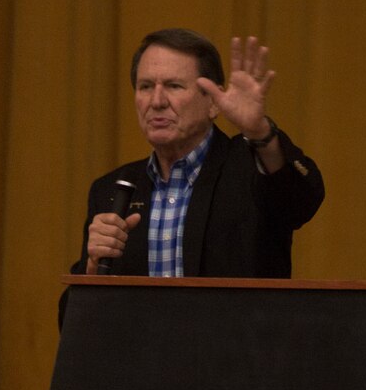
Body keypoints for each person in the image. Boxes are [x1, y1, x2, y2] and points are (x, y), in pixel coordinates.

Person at [69, 28, 324, 280]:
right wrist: (93, 268)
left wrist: (260, 132)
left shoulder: (253, 166)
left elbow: (301, 201)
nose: (156, 101)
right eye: (145, 86)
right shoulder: (112, 190)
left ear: (213, 102)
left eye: (174, 86)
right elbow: (72, 315)